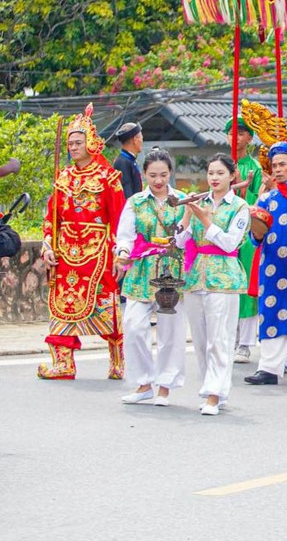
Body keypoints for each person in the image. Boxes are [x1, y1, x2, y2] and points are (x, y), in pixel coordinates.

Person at [38, 105, 126, 381]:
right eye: (70, 143)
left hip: (97, 251)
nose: (73, 147)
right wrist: (48, 243)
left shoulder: (108, 177)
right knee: (61, 306)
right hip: (65, 252)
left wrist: (118, 253)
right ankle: (63, 364)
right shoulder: (62, 178)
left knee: (105, 304)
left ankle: (117, 360)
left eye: (78, 142)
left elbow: (120, 219)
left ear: (90, 143)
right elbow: (52, 216)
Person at [177, 154, 250, 416]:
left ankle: (214, 394)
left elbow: (231, 243)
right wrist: (187, 215)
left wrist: (206, 220)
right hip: (196, 276)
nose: (214, 178)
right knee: (200, 339)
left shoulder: (240, 207)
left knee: (220, 339)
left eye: (220, 173)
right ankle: (213, 387)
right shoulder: (198, 202)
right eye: (210, 173)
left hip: (224, 279)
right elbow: (180, 241)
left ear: (232, 176)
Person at [114, 148, 186, 405]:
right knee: (133, 326)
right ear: (144, 174)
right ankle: (143, 382)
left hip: (172, 270)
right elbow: (125, 235)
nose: (158, 180)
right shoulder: (135, 202)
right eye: (153, 175)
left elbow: (189, 234)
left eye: (163, 175)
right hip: (142, 270)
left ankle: (165, 386)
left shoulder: (182, 200)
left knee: (171, 331)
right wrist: (123, 252)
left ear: (170, 174)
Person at [244, 141, 287, 386]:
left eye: (283, 164)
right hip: (272, 265)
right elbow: (255, 238)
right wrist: (256, 230)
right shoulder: (266, 198)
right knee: (271, 310)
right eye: (275, 165)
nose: (278, 169)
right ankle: (269, 368)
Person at [225, 117, 263, 365]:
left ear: (249, 138)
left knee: (247, 288)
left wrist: (242, 185)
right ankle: (228, 338)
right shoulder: (222, 164)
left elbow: (256, 204)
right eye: (230, 133)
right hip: (223, 233)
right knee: (227, 286)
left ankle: (246, 343)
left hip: (246, 235)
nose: (234, 137)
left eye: (239, 133)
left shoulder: (255, 168)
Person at [112, 121, 144, 199]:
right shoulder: (122, 162)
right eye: (141, 138)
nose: (142, 141)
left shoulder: (129, 160)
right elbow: (127, 192)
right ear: (135, 139)